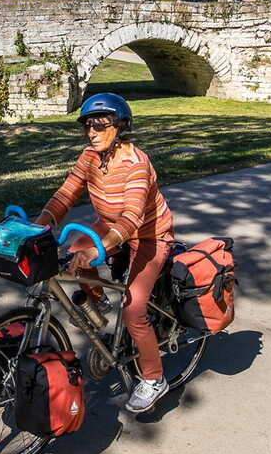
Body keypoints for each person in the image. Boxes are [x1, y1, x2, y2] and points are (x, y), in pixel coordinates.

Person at [34, 92, 177, 414]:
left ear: (121, 126)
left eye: (101, 125)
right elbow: (66, 193)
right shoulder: (89, 157)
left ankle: (154, 379)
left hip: (149, 235)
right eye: (87, 125)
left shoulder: (136, 164)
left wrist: (103, 248)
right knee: (74, 254)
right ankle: (98, 301)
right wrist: (38, 226)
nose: (92, 132)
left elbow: (132, 217)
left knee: (134, 309)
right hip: (108, 225)